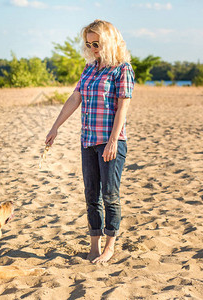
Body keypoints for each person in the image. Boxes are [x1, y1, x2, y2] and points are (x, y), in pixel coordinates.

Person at [45, 19, 135, 264]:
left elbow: (122, 108)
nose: (94, 48)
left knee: (110, 194)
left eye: (97, 43)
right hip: (87, 142)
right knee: (91, 194)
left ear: (109, 41)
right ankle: (94, 246)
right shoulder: (89, 69)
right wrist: (55, 127)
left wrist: (113, 141)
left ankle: (109, 247)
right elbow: (75, 99)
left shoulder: (122, 69)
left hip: (110, 143)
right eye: (89, 44)